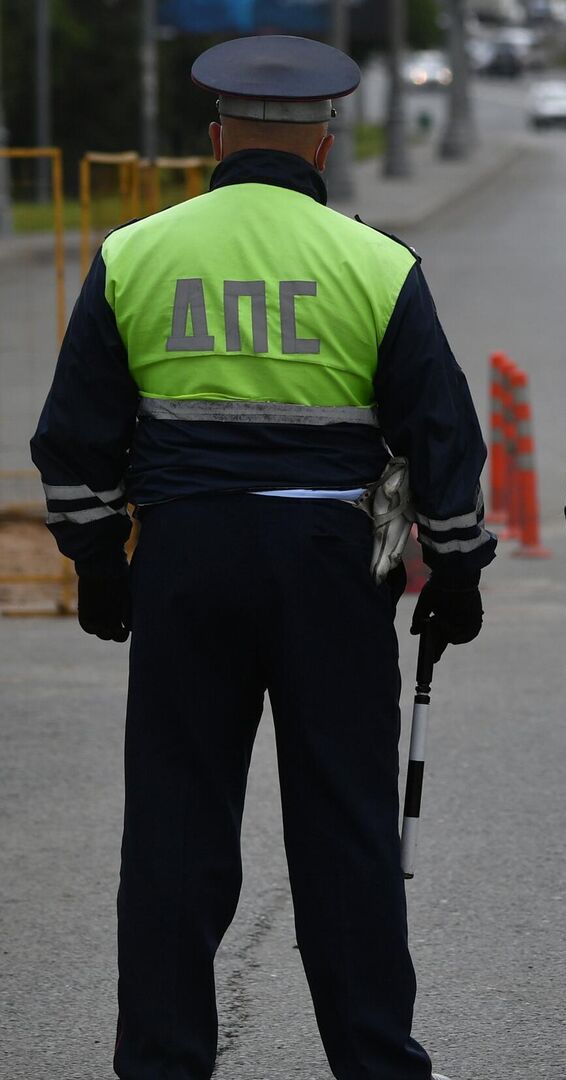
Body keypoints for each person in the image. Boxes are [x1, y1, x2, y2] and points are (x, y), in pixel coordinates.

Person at [29, 35, 491, 1080]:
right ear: (322, 144)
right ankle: (376, 1059)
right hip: (330, 563)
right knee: (346, 826)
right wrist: (455, 569)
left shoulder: (137, 253)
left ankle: (162, 1059)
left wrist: (100, 560)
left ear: (214, 140)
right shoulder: (376, 262)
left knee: (175, 829)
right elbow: (440, 437)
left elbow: (75, 436)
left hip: (187, 556)